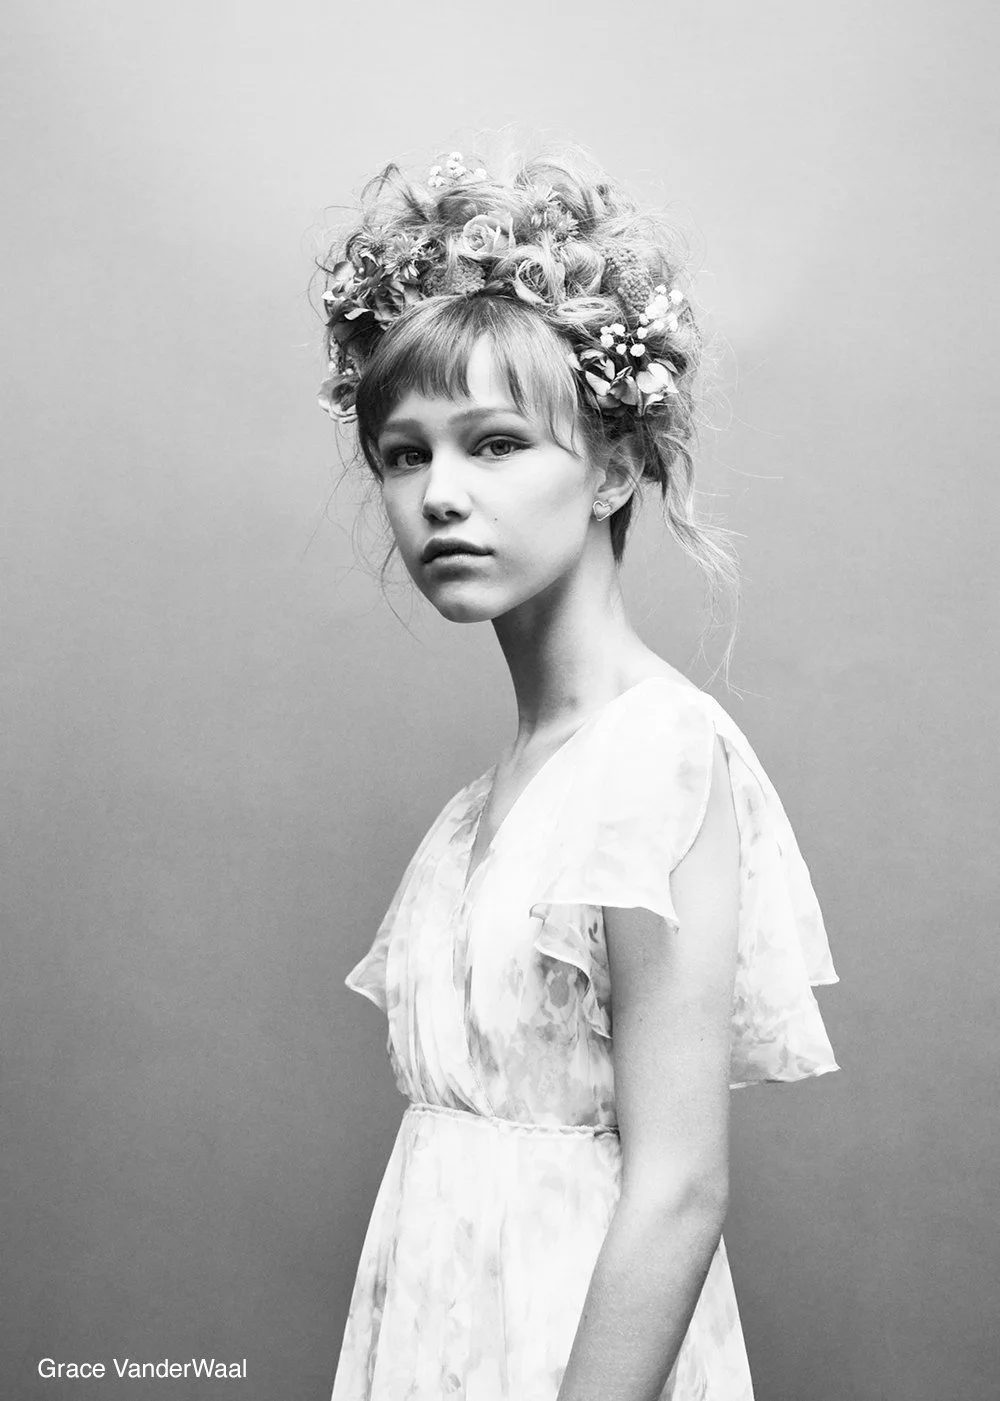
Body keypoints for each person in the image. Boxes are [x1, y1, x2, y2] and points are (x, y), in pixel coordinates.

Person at [315, 144, 839, 1401]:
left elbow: (679, 1186)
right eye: (403, 453)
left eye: (495, 444)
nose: (440, 495)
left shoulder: (656, 756)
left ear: (610, 468)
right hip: (434, 1335)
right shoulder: (483, 804)